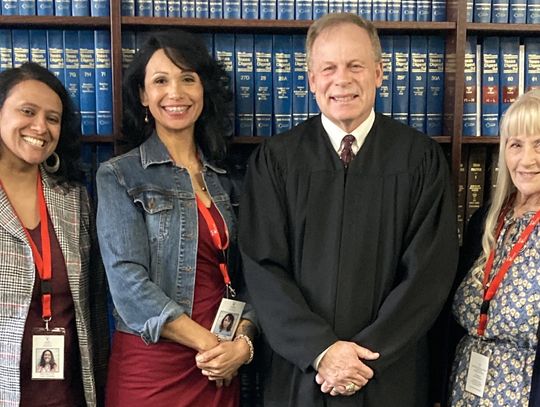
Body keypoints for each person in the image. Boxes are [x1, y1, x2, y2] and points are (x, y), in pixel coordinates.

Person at [238, 13, 459, 407]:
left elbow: (429, 273)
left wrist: (362, 357)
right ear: (311, 80)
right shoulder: (276, 160)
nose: (342, 79)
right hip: (302, 374)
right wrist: (321, 350)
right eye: (329, 68)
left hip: (388, 374)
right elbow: (262, 267)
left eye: (355, 65)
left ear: (378, 73)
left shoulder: (419, 158)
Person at [96, 31, 257, 407]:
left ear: (203, 90)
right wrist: (211, 345)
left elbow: (256, 274)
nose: (176, 93)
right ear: (143, 96)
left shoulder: (228, 179)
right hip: (154, 367)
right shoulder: (119, 175)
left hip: (219, 369)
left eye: (188, 78)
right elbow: (128, 286)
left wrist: (243, 345)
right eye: (161, 80)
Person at [0, 62, 109, 406]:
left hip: (70, 394)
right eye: (27, 111)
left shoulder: (74, 200)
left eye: (53, 118)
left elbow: (92, 304)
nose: (40, 127)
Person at [447, 89, 540, 406]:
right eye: (516, 145)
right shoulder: (485, 220)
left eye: (539, 144)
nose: (527, 160)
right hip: (465, 388)